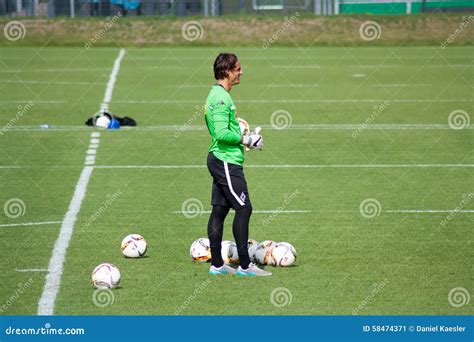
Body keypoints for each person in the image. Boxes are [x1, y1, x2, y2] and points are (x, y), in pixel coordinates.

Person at [204, 53, 271, 277]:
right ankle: (244, 265)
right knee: (244, 208)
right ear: (227, 72)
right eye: (238, 69)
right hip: (225, 161)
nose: (241, 72)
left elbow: (224, 130)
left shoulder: (218, 94)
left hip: (222, 158)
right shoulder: (221, 98)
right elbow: (222, 133)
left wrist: (246, 137)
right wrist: (247, 139)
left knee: (220, 210)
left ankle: (217, 264)